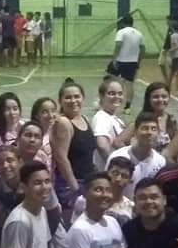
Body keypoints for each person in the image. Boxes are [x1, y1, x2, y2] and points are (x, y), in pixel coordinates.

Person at [50, 79, 96, 209]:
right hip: (70, 185)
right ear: (60, 101)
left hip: (87, 181)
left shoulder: (84, 119)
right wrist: (74, 186)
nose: (73, 100)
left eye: (77, 96)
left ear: (83, 98)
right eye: (68, 97)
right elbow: (61, 157)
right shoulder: (64, 122)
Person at [107, 112, 166, 199]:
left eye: (153, 129)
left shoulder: (160, 162)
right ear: (135, 132)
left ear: (158, 133)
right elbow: (107, 186)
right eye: (145, 128)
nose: (149, 132)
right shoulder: (118, 156)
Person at [92, 77, 132, 168]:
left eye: (120, 93)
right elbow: (102, 146)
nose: (117, 97)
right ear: (101, 96)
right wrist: (116, 167)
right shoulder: (101, 117)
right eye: (111, 93)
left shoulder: (114, 118)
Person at [110, 14, 144, 112]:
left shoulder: (121, 32)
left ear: (123, 23)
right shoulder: (139, 33)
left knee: (109, 80)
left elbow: (118, 45)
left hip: (120, 60)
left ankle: (107, 102)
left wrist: (114, 59)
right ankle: (127, 107)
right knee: (130, 84)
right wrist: (138, 61)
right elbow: (143, 49)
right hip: (132, 62)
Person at [141, 81, 178, 154]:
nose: (160, 100)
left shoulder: (172, 120)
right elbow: (119, 141)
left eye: (164, 96)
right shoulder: (143, 119)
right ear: (148, 99)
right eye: (156, 97)